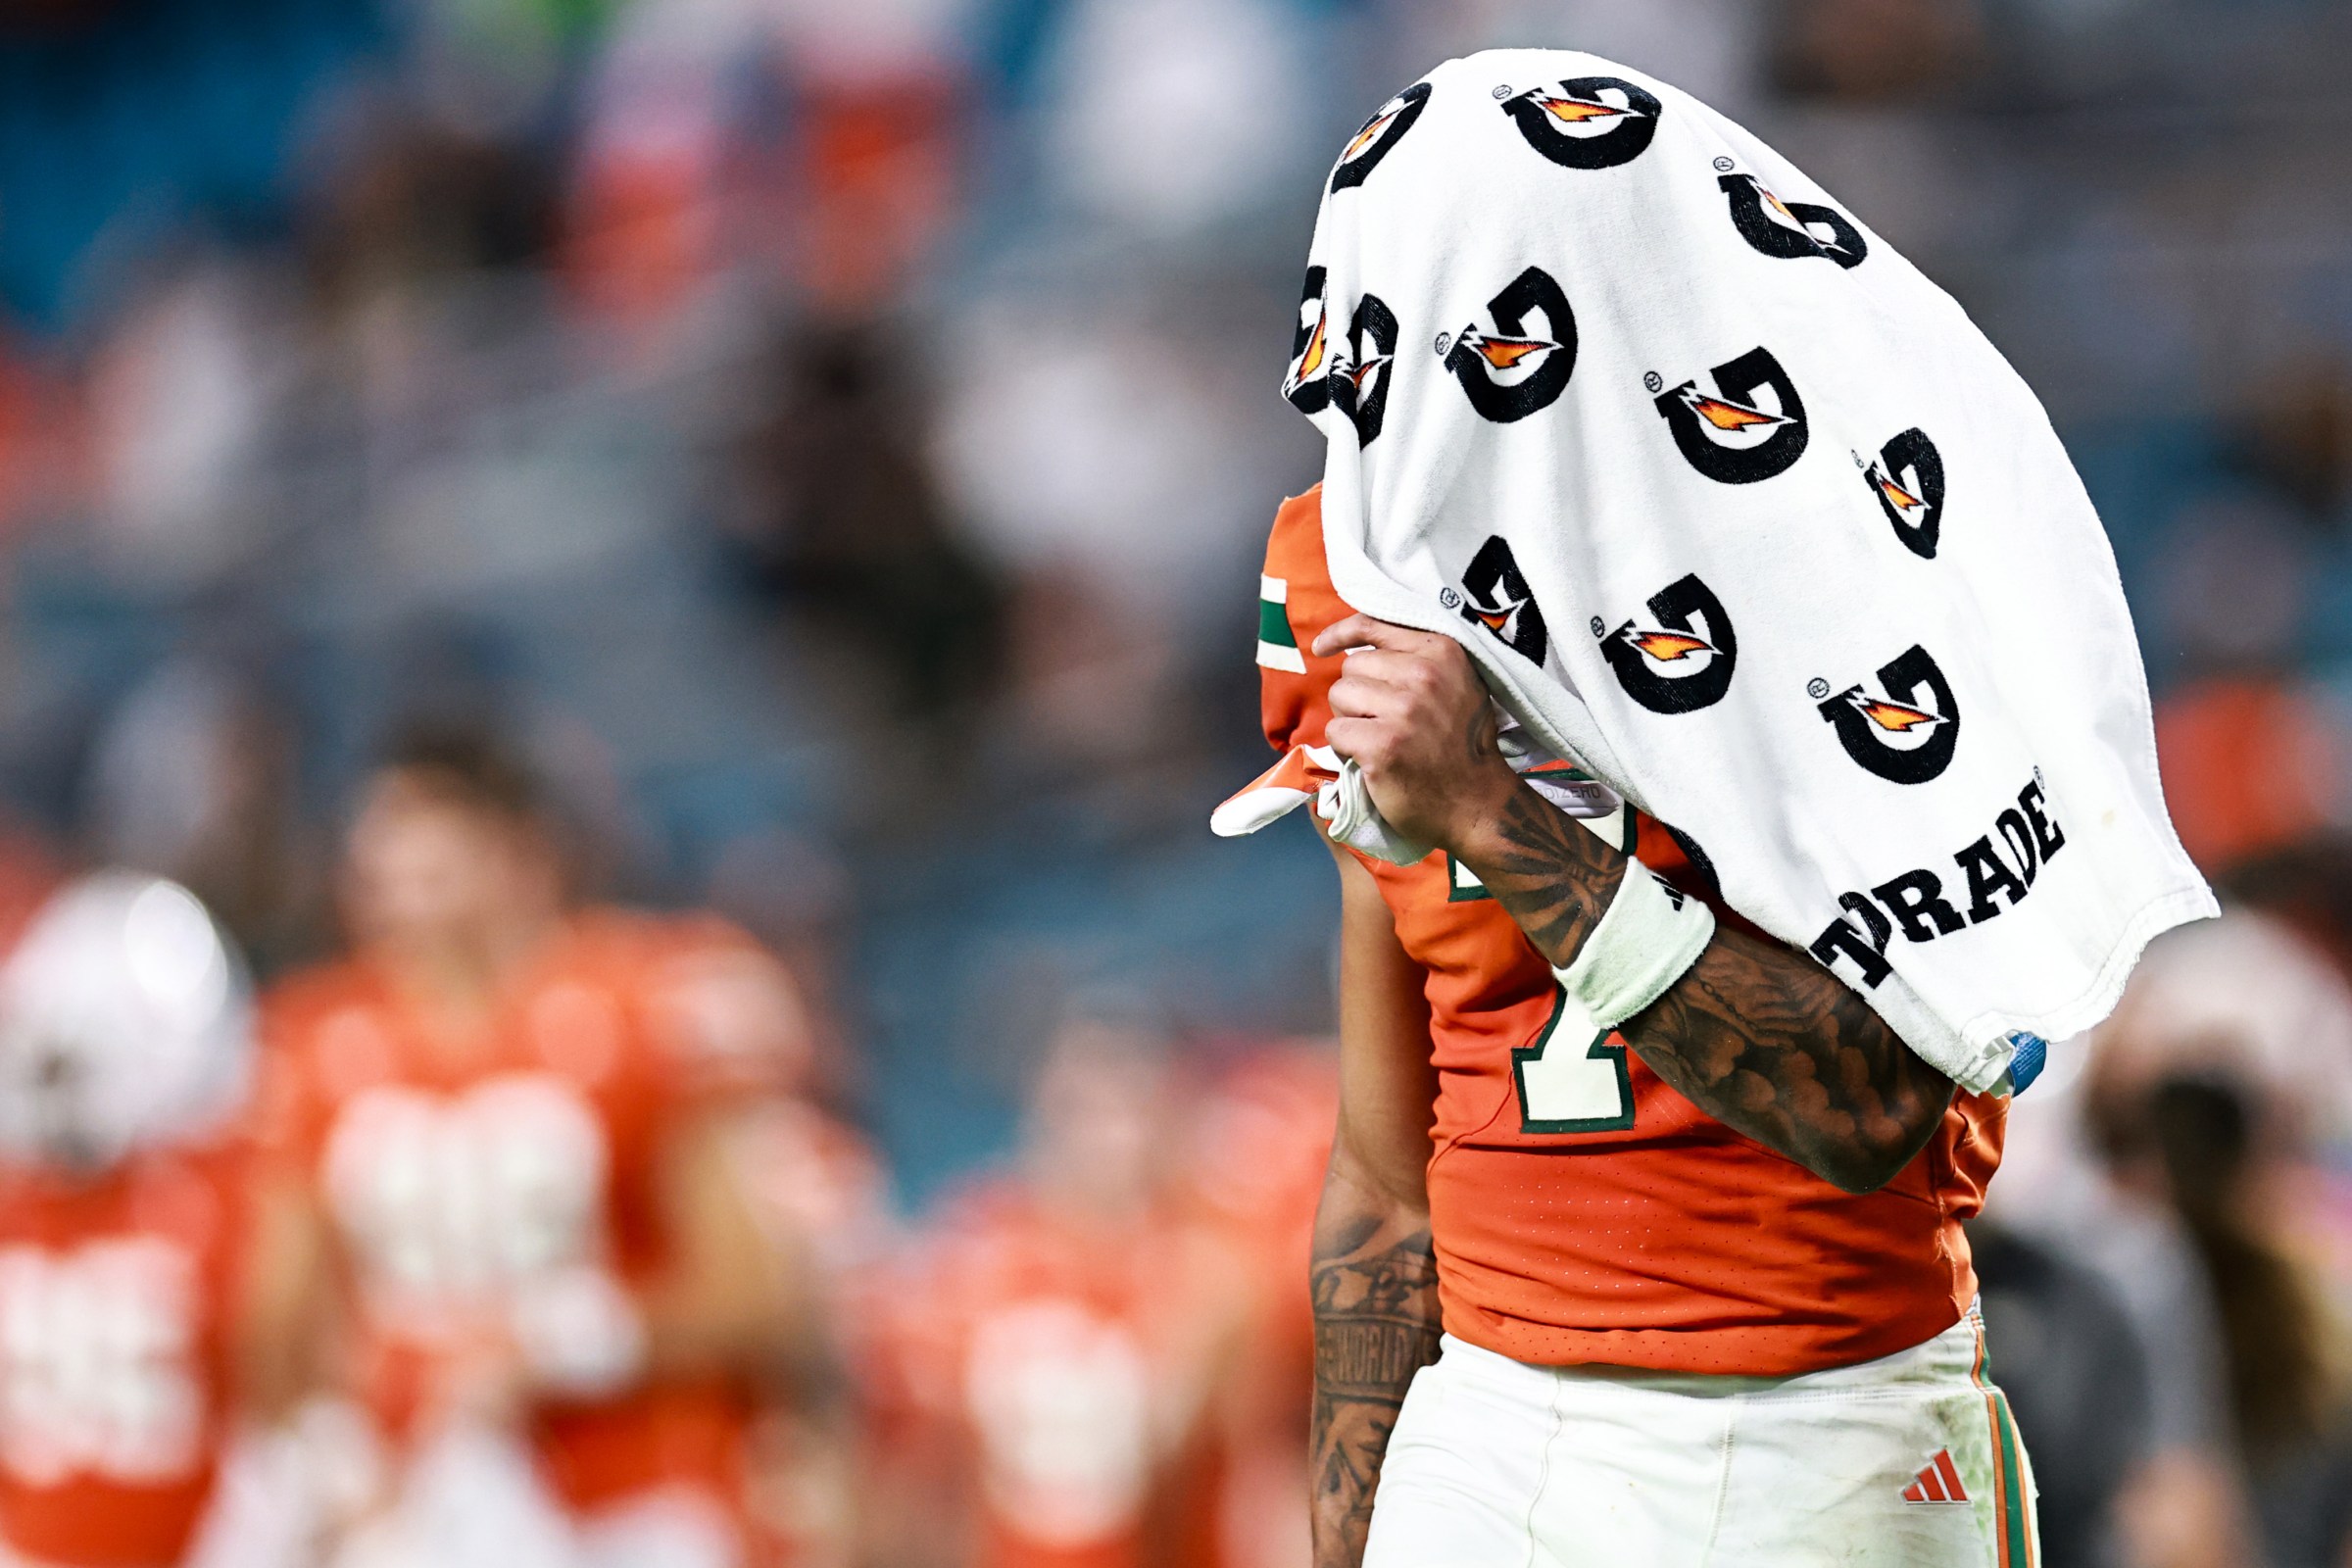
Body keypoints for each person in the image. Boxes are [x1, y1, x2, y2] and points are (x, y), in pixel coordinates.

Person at [1233, 488, 2030, 1567]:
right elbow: (1387, 1185)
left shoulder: (1815, 504)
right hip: (1484, 1416)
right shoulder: (1349, 536)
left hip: (1822, 1402)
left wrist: (1492, 811)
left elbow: (1869, 1104)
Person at [257, 723, 823, 1568]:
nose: (399, 877)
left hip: (638, 1496)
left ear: (519, 851)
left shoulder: (646, 998)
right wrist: (335, 1462)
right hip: (423, 1502)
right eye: (383, 851)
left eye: (432, 847)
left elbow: (764, 1292)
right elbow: (280, 1322)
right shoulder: (316, 1036)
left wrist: (568, 1342)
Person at [0, 872, 318, 1568]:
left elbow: (292, 1405)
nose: (47, 1094)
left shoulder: (238, 1197)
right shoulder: (17, 1201)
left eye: (65, 1066)